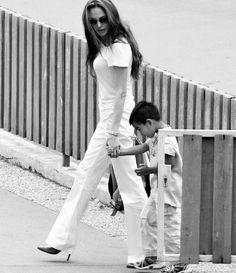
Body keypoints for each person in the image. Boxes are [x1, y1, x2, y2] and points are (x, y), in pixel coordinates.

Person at [37, 0, 148, 267]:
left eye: (102, 20)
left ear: (112, 18)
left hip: (117, 124)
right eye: (93, 21)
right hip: (108, 122)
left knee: (131, 189)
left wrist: (112, 133)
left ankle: (145, 251)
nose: (98, 25)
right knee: (86, 174)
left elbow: (122, 92)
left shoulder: (120, 46)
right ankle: (61, 239)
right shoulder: (106, 45)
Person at [107, 101, 183, 270]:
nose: (139, 133)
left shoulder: (167, 139)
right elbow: (142, 147)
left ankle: (179, 261)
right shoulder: (155, 136)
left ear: (149, 123)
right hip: (158, 192)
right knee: (147, 219)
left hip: (169, 193)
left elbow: (168, 164)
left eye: (139, 129)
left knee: (170, 227)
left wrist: (149, 170)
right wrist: (120, 152)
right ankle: (152, 256)